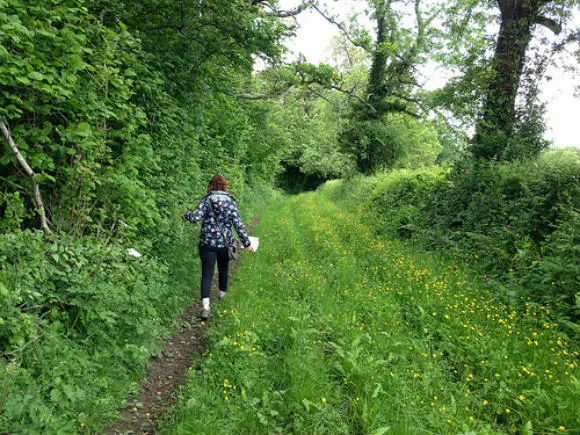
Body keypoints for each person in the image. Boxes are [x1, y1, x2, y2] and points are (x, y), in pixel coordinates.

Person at [184, 175, 252, 320]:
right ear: (224, 186)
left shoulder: (207, 200)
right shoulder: (230, 201)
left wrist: (186, 214)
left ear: (211, 186)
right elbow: (238, 224)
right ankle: (222, 299)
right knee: (224, 269)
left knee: (207, 274)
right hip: (225, 243)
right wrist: (247, 243)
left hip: (207, 244)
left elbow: (195, 217)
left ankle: (206, 307)